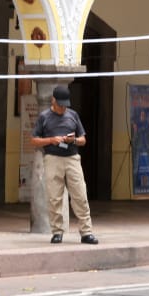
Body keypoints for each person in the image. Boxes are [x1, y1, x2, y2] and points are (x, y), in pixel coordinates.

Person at [31, 85, 98, 245]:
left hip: (72, 158)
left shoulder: (73, 115)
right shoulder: (44, 117)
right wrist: (51, 140)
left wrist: (73, 140)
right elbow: (34, 140)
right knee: (54, 197)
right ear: (53, 100)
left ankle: (86, 232)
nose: (63, 108)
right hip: (52, 158)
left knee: (80, 195)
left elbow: (83, 140)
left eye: (65, 105)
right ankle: (57, 232)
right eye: (60, 105)